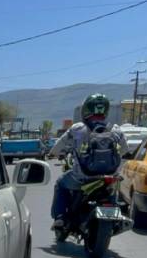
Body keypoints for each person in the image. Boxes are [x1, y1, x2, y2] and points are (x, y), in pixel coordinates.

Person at [47, 94, 126, 229]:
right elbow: (124, 150)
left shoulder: (77, 128)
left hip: (82, 177)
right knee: (112, 189)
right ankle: (115, 220)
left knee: (61, 184)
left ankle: (60, 217)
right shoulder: (116, 129)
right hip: (109, 177)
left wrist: (52, 153)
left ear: (86, 109)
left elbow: (60, 146)